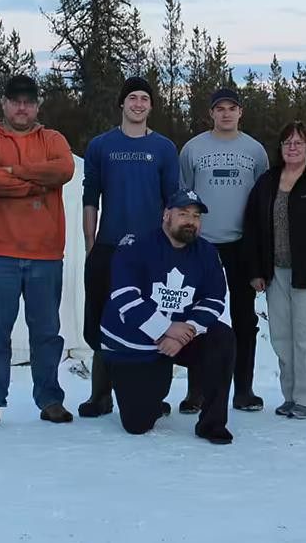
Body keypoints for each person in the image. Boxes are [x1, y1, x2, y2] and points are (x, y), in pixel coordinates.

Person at [0, 75, 76, 430]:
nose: (22, 107)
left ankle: (50, 399)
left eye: (29, 101)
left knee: (46, 333)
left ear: (38, 105)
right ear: (4, 103)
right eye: (16, 101)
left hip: (46, 253)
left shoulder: (53, 139)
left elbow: (64, 169)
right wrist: (35, 184)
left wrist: (13, 172)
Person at [99, 190, 236, 444]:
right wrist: (164, 329)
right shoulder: (136, 246)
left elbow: (214, 298)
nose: (190, 221)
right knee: (138, 424)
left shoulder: (206, 252)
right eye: (183, 214)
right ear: (166, 216)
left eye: (196, 216)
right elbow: (124, 296)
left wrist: (185, 333)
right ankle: (146, 393)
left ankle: (212, 424)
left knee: (221, 337)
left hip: (177, 337)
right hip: (134, 343)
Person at [77, 76, 179, 418]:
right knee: (101, 321)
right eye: (132, 97)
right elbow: (90, 197)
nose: (138, 104)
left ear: (151, 106)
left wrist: (171, 247)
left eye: (144, 99)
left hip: (151, 252)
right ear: (122, 103)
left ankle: (152, 394)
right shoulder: (101, 146)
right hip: (109, 247)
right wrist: (91, 244)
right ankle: (100, 395)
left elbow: (173, 201)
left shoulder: (164, 148)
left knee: (153, 320)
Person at [243, 121, 306, 419]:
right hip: (275, 273)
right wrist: (256, 271)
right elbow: (251, 227)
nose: (292, 147)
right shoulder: (267, 182)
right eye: (287, 142)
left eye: (299, 142)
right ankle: (290, 395)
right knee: (282, 338)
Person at [179, 88, 269, 413]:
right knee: (195, 316)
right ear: (212, 113)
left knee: (243, 318)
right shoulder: (193, 149)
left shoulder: (255, 151)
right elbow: (184, 196)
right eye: (220, 108)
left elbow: (263, 198)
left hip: (241, 244)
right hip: (201, 245)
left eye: (232, 108)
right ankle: (196, 391)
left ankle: (243, 389)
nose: (226, 113)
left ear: (240, 112)